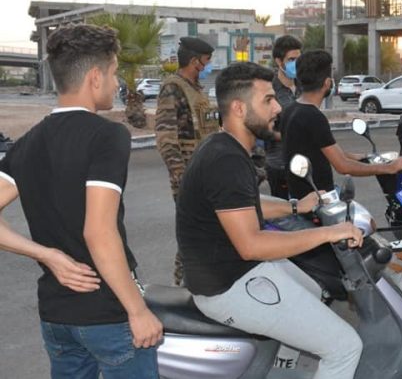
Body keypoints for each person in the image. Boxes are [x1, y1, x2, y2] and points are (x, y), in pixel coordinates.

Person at [176, 61, 364, 378]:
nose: (278, 107)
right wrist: (329, 233)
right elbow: (252, 245)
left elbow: (245, 204)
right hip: (227, 286)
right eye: (268, 100)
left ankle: (282, 370)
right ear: (239, 108)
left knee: (314, 290)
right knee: (345, 347)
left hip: (234, 269)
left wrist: (296, 206)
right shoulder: (226, 160)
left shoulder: (225, 146)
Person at [0, 24, 162, 378]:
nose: (117, 84)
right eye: (114, 73)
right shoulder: (107, 136)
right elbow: (98, 233)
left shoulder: (28, 141)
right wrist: (137, 311)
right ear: (95, 78)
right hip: (108, 314)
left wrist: (47, 255)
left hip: (56, 317)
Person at [281, 50, 402, 200]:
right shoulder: (313, 117)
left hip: (298, 196)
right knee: (363, 216)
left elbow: (321, 150)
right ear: (327, 83)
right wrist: (389, 168)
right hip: (318, 199)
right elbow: (342, 166)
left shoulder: (290, 110)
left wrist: (363, 157)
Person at [155, 36, 218, 285]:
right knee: (192, 232)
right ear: (195, 61)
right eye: (206, 60)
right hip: (189, 176)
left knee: (203, 231)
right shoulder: (173, 88)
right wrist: (181, 176)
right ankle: (181, 284)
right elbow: (166, 137)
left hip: (206, 172)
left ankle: (195, 281)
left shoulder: (196, 90)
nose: (208, 65)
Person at [261, 35, 303, 199]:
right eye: (291, 59)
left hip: (303, 162)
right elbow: (263, 130)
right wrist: (288, 136)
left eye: (299, 59)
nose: (296, 64)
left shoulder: (304, 85)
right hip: (279, 165)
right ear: (279, 61)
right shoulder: (269, 89)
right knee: (284, 210)